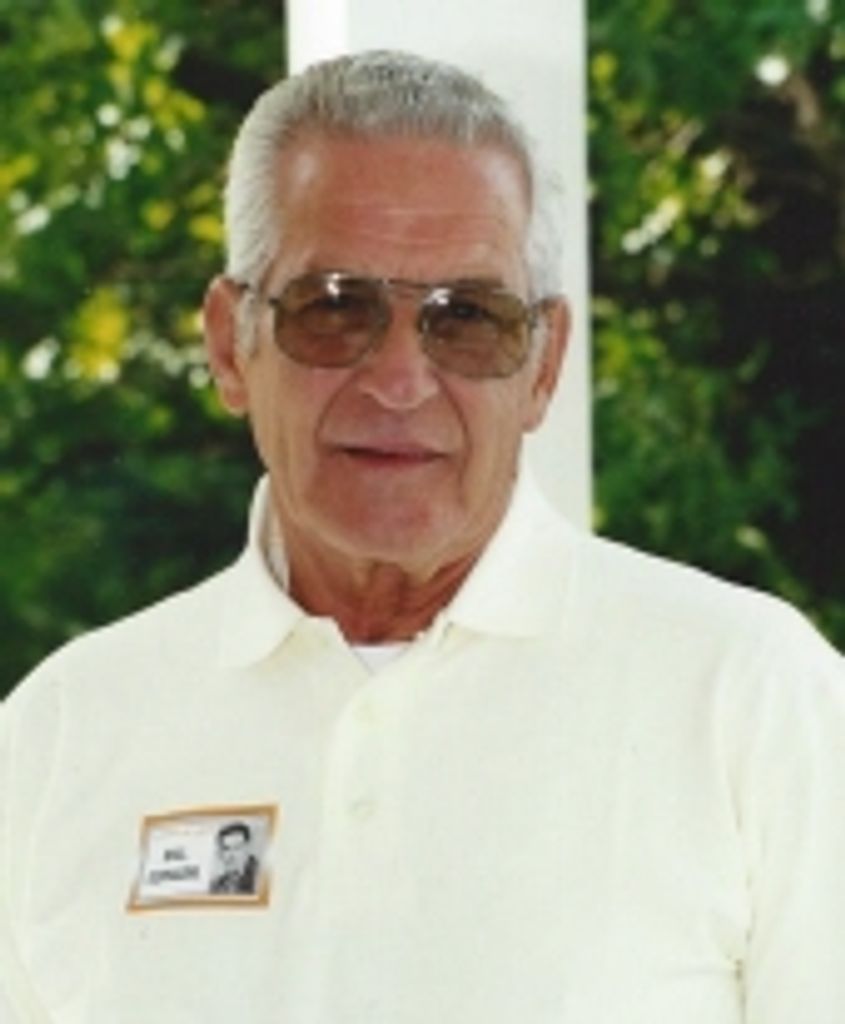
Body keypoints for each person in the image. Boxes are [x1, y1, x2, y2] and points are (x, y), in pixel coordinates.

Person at [1, 49, 843, 1024]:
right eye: (333, 309)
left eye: (467, 319)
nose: (400, 381)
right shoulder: (58, 738)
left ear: (541, 367)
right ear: (231, 344)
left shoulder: (750, 696)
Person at [209, 822, 259, 895]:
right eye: (226, 849)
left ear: (248, 848)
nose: (230, 856)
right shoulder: (218, 883)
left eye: (237, 848)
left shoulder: (261, 876)